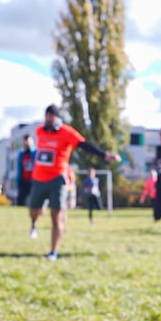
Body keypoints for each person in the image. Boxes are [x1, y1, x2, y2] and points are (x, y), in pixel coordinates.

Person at [27, 104, 120, 261]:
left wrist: (105, 155)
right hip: (38, 178)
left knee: (56, 215)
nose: (47, 120)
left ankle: (53, 252)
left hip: (58, 178)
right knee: (33, 211)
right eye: (46, 116)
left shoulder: (67, 133)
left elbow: (85, 145)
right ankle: (34, 222)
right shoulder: (39, 131)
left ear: (57, 117)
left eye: (50, 116)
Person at [16, 134, 36, 206]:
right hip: (23, 181)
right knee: (20, 201)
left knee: (34, 201)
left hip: (33, 181)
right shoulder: (21, 154)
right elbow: (19, 168)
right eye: (25, 142)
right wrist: (18, 181)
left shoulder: (36, 153)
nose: (26, 143)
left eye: (28, 141)